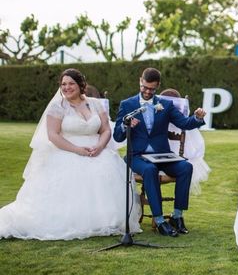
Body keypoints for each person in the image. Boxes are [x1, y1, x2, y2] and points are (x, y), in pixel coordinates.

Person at [0, 68, 140, 240]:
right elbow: (53, 135)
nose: (66, 87)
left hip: (97, 151)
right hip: (66, 151)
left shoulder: (95, 104)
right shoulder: (57, 106)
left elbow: (105, 130)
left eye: (71, 83)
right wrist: (77, 150)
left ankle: (102, 221)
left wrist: (100, 146)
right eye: (63, 84)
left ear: (80, 85)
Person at [113, 68, 206, 237]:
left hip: (162, 155)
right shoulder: (127, 105)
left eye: (152, 89)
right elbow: (117, 137)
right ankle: (160, 220)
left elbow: (184, 123)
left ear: (158, 86)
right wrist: (125, 125)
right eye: (145, 87)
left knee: (186, 167)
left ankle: (177, 217)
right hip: (137, 156)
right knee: (150, 170)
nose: (148, 92)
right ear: (140, 81)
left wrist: (197, 118)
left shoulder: (166, 104)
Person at [159, 88, 211, 194]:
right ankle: (177, 209)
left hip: (157, 162)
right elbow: (197, 147)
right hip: (177, 163)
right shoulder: (185, 121)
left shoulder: (157, 119)